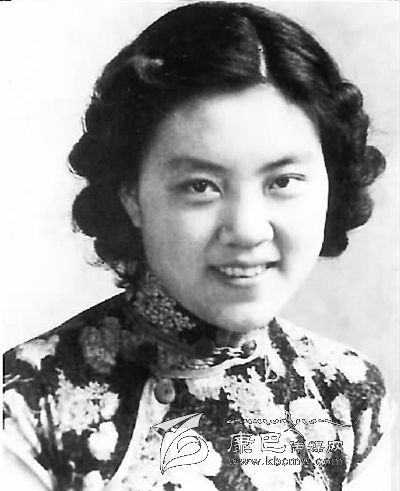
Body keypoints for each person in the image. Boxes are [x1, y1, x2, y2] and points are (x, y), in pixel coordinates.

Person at [2, 2, 393, 490]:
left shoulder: (349, 397)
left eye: (283, 181)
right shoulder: (27, 403)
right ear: (131, 195)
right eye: (201, 186)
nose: (247, 230)